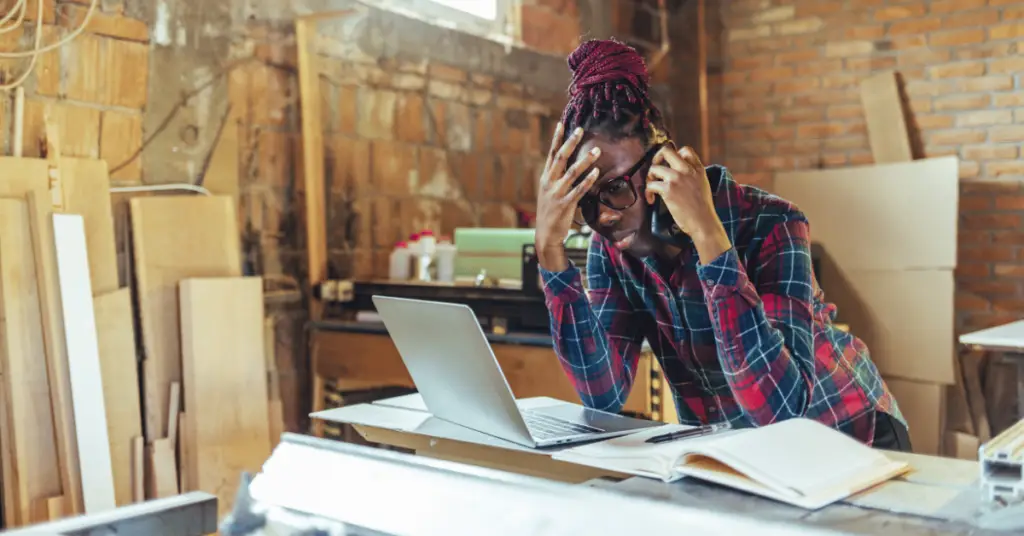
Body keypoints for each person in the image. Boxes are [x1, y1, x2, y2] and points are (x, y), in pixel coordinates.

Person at [534, 38, 911, 452]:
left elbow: (781, 409)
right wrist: (551, 254)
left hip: (849, 433)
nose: (603, 216)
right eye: (585, 198)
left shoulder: (771, 222)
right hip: (738, 452)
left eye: (617, 188)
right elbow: (602, 394)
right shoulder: (612, 252)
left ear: (663, 164)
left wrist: (710, 240)